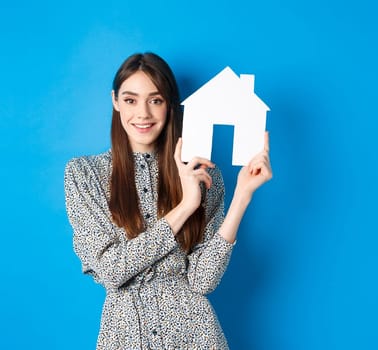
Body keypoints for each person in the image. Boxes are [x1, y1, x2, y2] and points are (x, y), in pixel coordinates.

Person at [64, 52, 272, 349]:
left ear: (170, 105)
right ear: (115, 101)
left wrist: (242, 195)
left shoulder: (203, 176)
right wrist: (185, 206)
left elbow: (203, 281)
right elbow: (111, 270)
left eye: (156, 100)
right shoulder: (84, 174)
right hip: (124, 336)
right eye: (131, 99)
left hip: (197, 336)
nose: (143, 114)